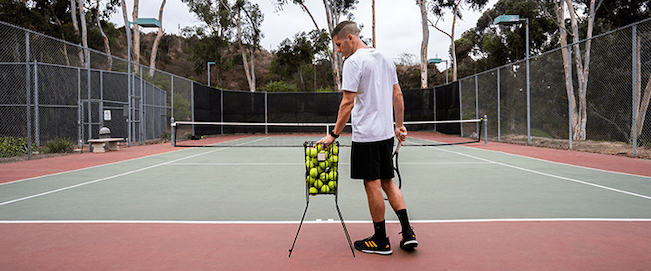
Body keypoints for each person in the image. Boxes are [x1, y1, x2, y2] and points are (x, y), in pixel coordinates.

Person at [316, 20, 417, 255]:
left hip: (367, 136)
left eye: (339, 45)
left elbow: (347, 102)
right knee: (387, 182)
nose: (339, 50)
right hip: (384, 136)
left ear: (350, 38)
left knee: (371, 184)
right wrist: (399, 126)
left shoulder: (353, 63)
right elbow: (397, 94)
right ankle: (408, 232)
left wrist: (333, 135)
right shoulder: (384, 58)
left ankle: (380, 240)